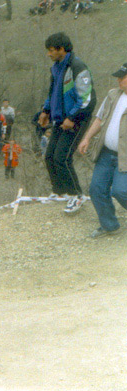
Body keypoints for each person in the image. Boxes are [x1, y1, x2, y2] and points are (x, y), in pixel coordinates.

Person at [37, 32, 96, 214]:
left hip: (76, 120)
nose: (48, 54)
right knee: (49, 156)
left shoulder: (77, 67)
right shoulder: (56, 68)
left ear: (61, 49)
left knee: (62, 157)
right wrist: (46, 110)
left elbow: (87, 99)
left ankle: (76, 195)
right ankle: (60, 191)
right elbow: (53, 93)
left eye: (51, 50)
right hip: (60, 119)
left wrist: (72, 117)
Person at [77, 62, 127, 238]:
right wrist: (87, 138)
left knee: (121, 191)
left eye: (122, 77)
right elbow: (99, 119)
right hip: (106, 153)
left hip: (125, 157)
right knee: (96, 189)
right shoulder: (113, 95)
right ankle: (110, 226)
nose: (118, 80)